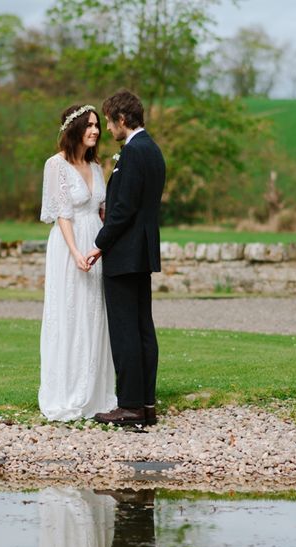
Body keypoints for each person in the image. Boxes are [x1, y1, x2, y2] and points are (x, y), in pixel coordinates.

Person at [85, 90, 166, 427]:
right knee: (142, 327)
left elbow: (123, 210)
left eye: (108, 120)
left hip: (124, 254)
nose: (107, 127)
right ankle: (146, 403)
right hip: (142, 253)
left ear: (121, 119)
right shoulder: (153, 150)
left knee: (125, 331)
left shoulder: (133, 153)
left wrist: (99, 243)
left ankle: (130, 405)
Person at [38, 104, 117, 421]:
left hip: (95, 243)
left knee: (94, 314)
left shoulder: (96, 166)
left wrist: (101, 244)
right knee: (69, 313)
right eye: (89, 125)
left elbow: (100, 209)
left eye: (98, 125)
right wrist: (75, 253)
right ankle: (67, 392)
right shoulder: (55, 165)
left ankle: (95, 393)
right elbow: (62, 214)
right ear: (74, 129)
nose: (95, 131)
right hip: (68, 246)